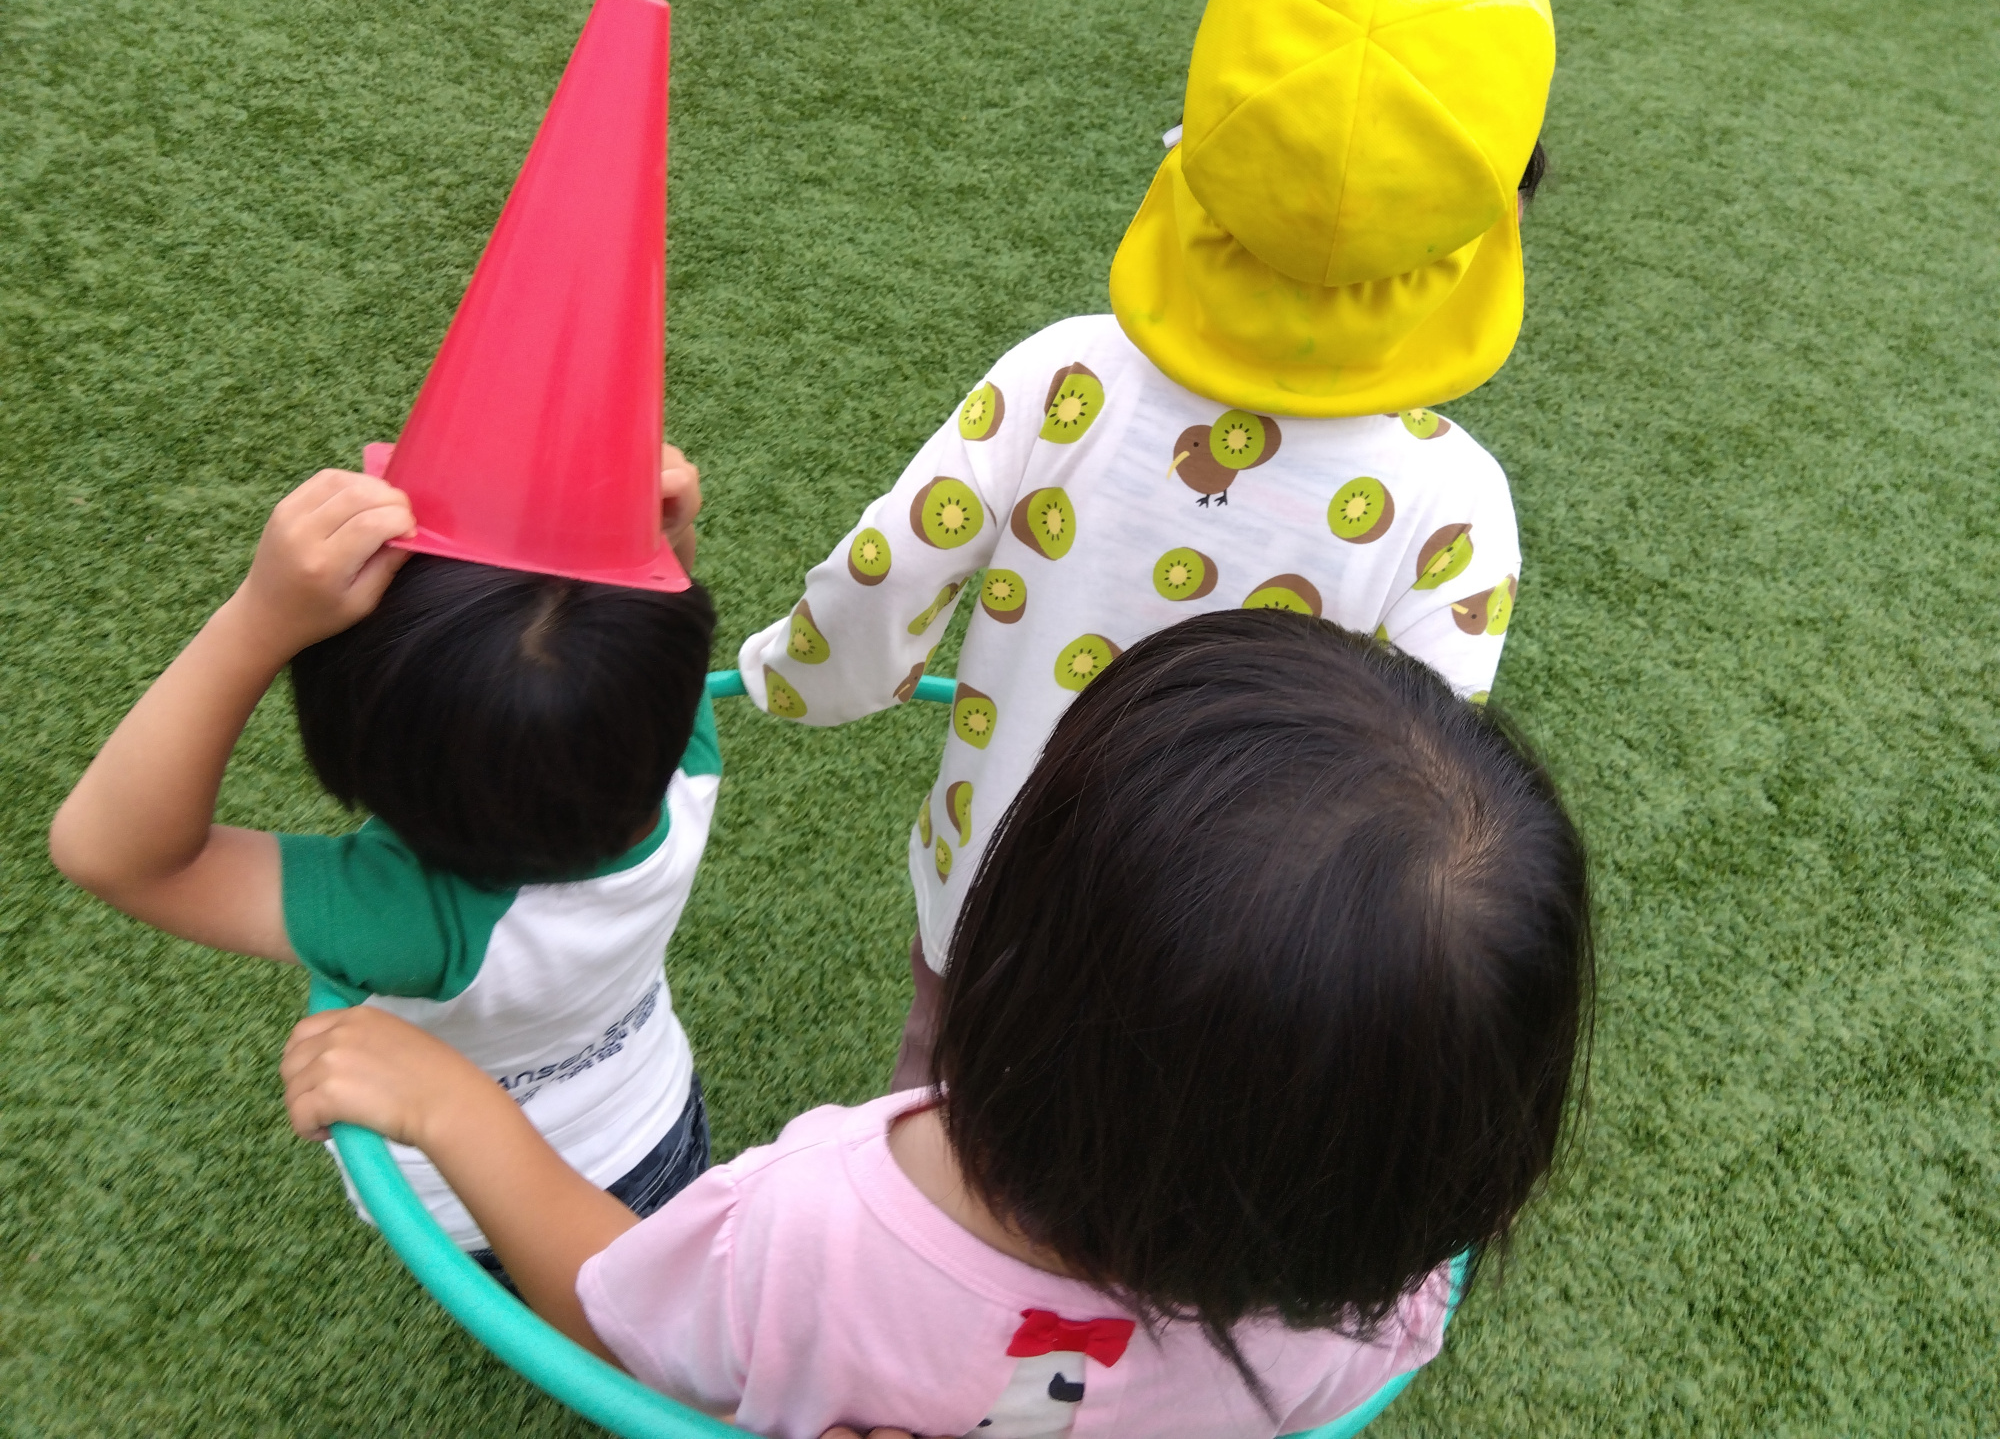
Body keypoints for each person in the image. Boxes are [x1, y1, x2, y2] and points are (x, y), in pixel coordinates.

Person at [281, 610, 1595, 1439]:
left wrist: (458, 1107)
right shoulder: (1367, 1309)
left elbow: (617, 1314)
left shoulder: (828, 1224)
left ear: (1018, 958)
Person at [735, 0, 1563, 1090]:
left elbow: (886, 571)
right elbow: (1417, 789)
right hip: (1221, 975)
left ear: (1206, 135)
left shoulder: (1064, 377)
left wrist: (797, 677)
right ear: (1498, 209)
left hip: (991, 900)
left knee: (934, 1113)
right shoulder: (1454, 505)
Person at [49, 452, 721, 1279]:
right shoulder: (687, 767)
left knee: (603, 1313)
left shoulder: (413, 913)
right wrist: (657, 543)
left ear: (363, 762)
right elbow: (646, 671)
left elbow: (115, 855)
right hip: (656, 1119)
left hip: (489, 1205)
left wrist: (258, 622)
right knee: (656, 1298)